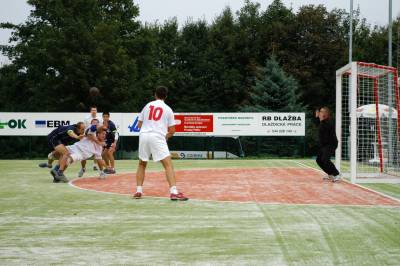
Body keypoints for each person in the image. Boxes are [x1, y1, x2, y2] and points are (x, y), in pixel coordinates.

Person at [133, 86, 188, 201]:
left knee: (142, 163)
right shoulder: (168, 109)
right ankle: (173, 192)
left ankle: (138, 190)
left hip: (144, 135)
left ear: (155, 95)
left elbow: (139, 125)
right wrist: (165, 136)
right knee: (168, 164)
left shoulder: (147, 105)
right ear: (166, 96)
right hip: (157, 136)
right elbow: (172, 131)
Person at [315, 107, 341, 182]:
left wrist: (320, 118)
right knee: (319, 160)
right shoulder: (322, 122)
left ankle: (337, 174)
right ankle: (330, 174)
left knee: (325, 159)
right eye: (320, 111)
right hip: (324, 145)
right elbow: (320, 126)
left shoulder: (329, 122)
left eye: (322, 111)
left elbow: (324, 126)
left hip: (331, 144)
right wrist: (318, 118)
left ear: (326, 114)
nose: (320, 112)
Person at [84, 106, 103, 171]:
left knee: (97, 152)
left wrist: (99, 137)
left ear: (96, 111)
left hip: (96, 136)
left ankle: (95, 165)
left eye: (95, 110)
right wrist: (87, 135)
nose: (94, 111)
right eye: (92, 110)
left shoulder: (100, 118)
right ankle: (83, 167)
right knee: (84, 152)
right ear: (90, 111)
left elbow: (100, 128)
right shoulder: (86, 118)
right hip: (88, 137)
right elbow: (85, 128)